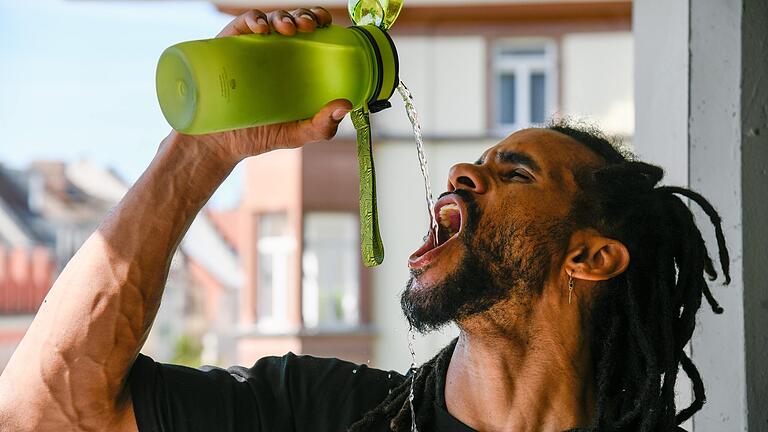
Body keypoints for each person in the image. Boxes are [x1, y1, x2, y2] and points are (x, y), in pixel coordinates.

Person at [0, 7, 729, 432]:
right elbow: (42, 412)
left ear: (592, 258)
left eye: (517, 172)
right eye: (478, 163)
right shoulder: (322, 412)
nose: (462, 175)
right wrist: (198, 154)